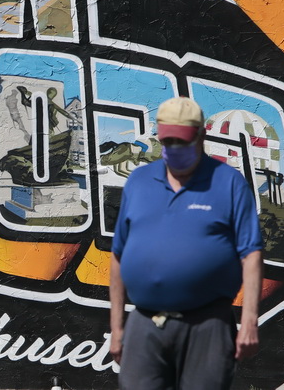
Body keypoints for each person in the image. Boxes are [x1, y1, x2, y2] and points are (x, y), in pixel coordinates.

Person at [109, 96, 263, 390]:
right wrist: (117, 328)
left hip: (208, 325)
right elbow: (118, 256)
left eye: (183, 142)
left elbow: (251, 254)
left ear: (201, 136)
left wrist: (250, 322)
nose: (175, 150)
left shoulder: (229, 183)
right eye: (169, 142)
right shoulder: (139, 181)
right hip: (144, 323)